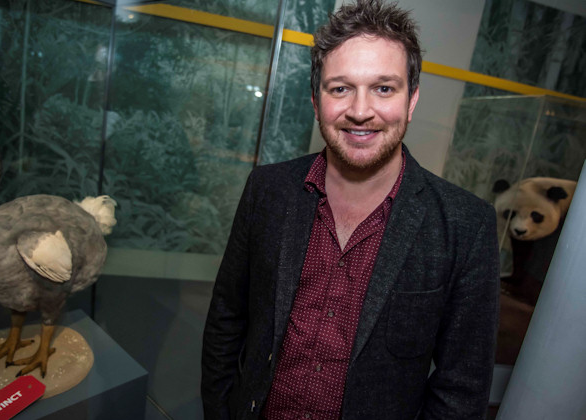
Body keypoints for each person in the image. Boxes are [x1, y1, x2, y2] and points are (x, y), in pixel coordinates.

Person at [201, 0, 500, 419]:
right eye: (340, 88)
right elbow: (226, 321)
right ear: (315, 99)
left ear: (411, 100)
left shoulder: (466, 226)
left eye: (384, 88)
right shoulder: (267, 190)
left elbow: (461, 388)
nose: (361, 111)